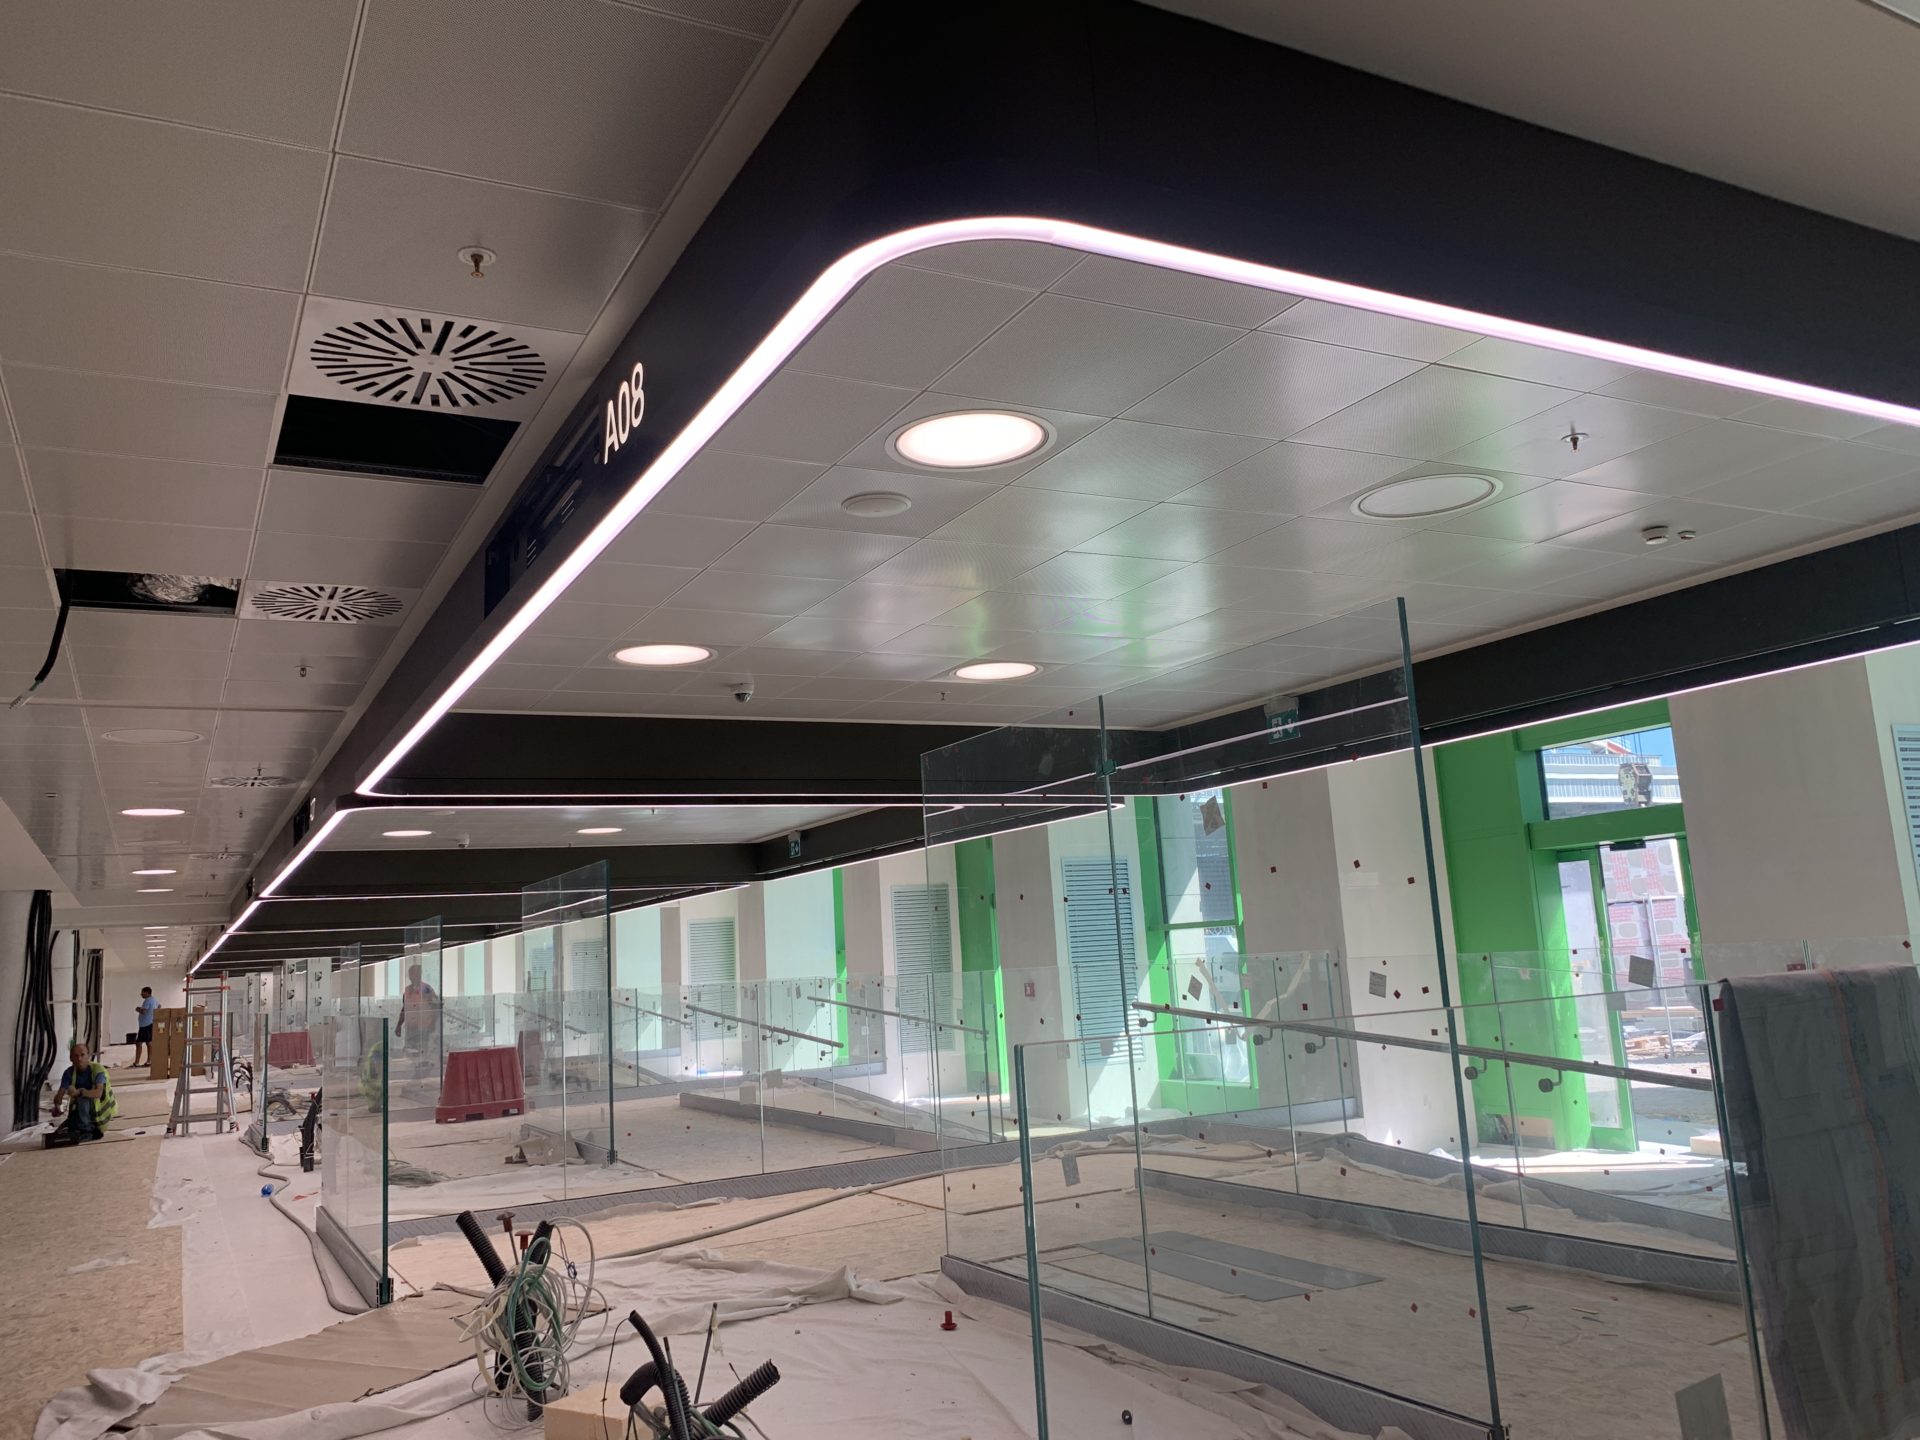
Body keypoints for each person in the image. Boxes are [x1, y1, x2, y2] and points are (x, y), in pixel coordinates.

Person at [48, 1041, 117, 1144]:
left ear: (88, 1056)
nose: (79, 1059)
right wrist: (57, 1106)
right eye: (76, 1056)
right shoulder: (69, 1073)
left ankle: (88, 1130)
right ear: (71, 1058)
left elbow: (98, 1093)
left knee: (82, 1099)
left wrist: (79, 1092)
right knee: (65, 1129)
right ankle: (79, 1127)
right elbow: (60, 1094)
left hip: (100, 1114)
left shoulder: (98, 1070)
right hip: (82, 1112)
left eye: (82, 1055)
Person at [398, 964, 439, 1056]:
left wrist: (433, 1023)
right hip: (410, 1028)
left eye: (417, 974)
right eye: (412, 974)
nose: (414, 976)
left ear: (420, 974)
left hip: (424, 1028)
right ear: (409, 976)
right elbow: (404, 1008)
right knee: (411, 1052)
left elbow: (436, 1006)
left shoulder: (426, 988)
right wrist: (399, 1025)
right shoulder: (407, 990)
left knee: (423, 1052)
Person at [132, 986, 160, 1067]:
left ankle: (137, 1062)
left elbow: (143, 1011)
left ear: (147, 993)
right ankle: (149, 1061)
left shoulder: (147, 1000)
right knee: (149, 1043)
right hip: (149, 1023)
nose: (141, 994)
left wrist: (137, 1009)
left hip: (145, 1025)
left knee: (139, 1043)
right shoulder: (154, 1000)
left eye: (143, 993)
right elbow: (159, 1006)